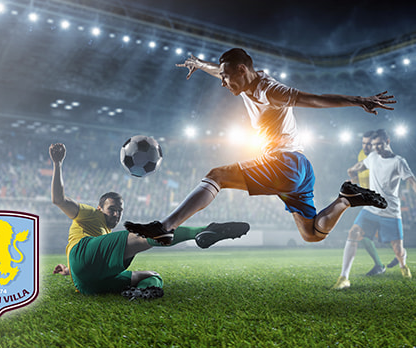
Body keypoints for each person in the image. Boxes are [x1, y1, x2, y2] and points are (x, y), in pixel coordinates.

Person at [124, 48, 393, 246]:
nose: (223, 82)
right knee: (312, 234)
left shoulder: (269, 91)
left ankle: (165, 227)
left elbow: (315, 99)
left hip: (285, 164)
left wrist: (359, 100)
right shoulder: (243, 80)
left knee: (217, 175)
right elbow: (218, 69)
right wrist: (198, 63)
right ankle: (346, 199)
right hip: (300, 167)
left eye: (227, 77)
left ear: (242, 70)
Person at [49, 143, 250, 298]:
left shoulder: (102, 236)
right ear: (100, 207)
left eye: (120, 211)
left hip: (88, 284)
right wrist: (57, 163)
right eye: (112, 209)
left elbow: (85, 265)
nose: (116, 215)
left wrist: (66, 270)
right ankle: (202, 230)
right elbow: (58, 199)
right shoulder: (89, 214)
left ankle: (142, 293)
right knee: (146, 234)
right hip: (82, 258)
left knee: (152, 276)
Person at [332, 129, 416, 289]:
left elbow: (412, 181)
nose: (376, 148)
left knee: (398, 250)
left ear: (388, 142)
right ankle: (344, 278)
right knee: (353, 233)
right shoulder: (372, 157)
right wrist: (353, 175)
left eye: (379, 145)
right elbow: (356, 168)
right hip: (372, 208)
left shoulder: (399, 161)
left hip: (391, 211)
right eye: (374, 145)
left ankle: (403, 265)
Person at [350, 131, 386, 276]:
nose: (365, 146)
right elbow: (359, 178)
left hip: (379, 201)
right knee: (362, 235)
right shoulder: (361, 155)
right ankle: (380, 265)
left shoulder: (380, 158)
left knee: (361, 233)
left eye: (368, 144)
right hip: (368, 202)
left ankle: (382, 265)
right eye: (363, 143)